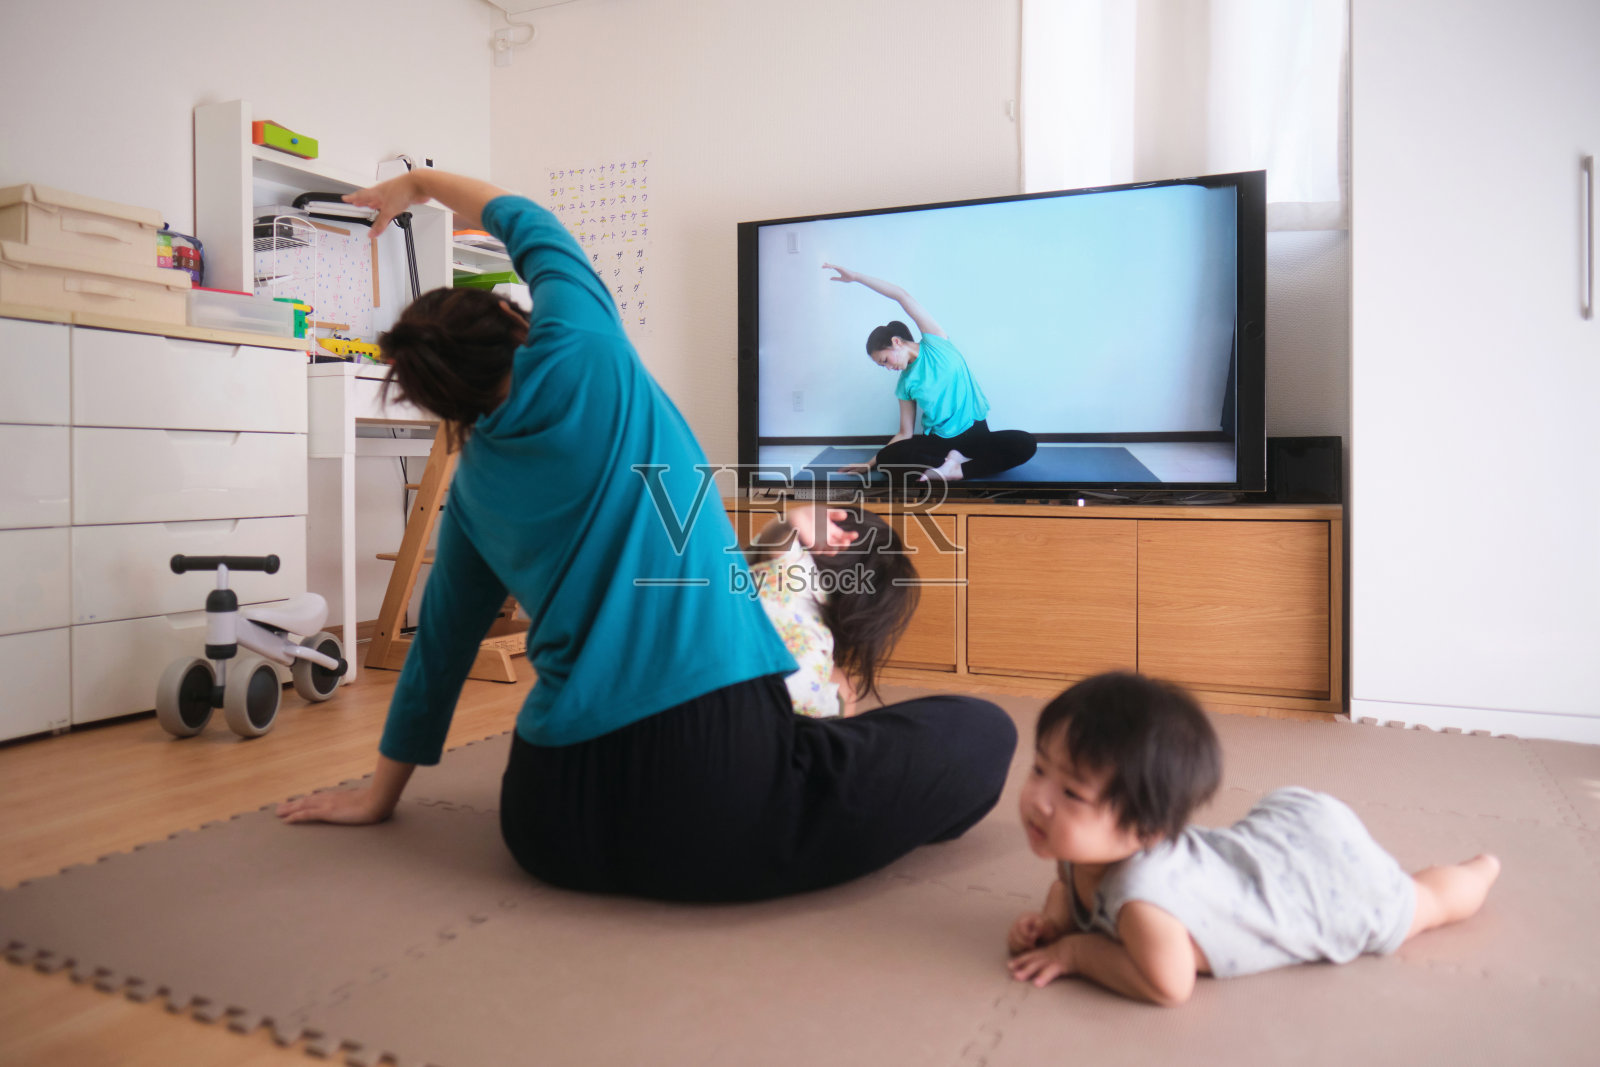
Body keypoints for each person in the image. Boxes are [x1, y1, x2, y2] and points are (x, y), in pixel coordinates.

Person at [274, 169, 1017, 903]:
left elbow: (438, 650)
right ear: (516, 325)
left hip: (545, 821)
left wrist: (380, 794)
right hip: (713, 797)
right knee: (979, 729)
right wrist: (422, 181)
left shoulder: (471, 492)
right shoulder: (585, 349)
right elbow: (526, 220)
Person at [1006, 671, 1501, 1005]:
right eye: (1039, 769)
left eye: (1071, 792)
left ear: (1146, 830)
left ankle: (1480, 871)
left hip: (1319, 882)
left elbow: (1168, 983)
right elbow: (1068, 894)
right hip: (1276, 841)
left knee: (1420, 904)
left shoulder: (1144, 903)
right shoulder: (1077, 850)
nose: (1039, 799)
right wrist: (1053, 924)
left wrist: (1074, 953)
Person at [821, 263, 1037, 483]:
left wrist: (856, 276)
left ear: (896, 342)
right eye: (882, 365)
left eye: (885, 360)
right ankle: (954, 463)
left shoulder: (935, 343)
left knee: (1025, 443)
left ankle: (957, 469)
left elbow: (901, 295)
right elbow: (904, 433)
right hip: (939, 444)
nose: (887, 368)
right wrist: (869, 464)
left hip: (976, 435)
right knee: (888, 459)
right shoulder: (904, 383)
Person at [744, 505, 919, 718]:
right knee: (845, 690)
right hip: (774, 725)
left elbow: (779, 543)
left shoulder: (785, 576)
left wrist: (790, 522)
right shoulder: (800, 579)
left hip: (707, 689)